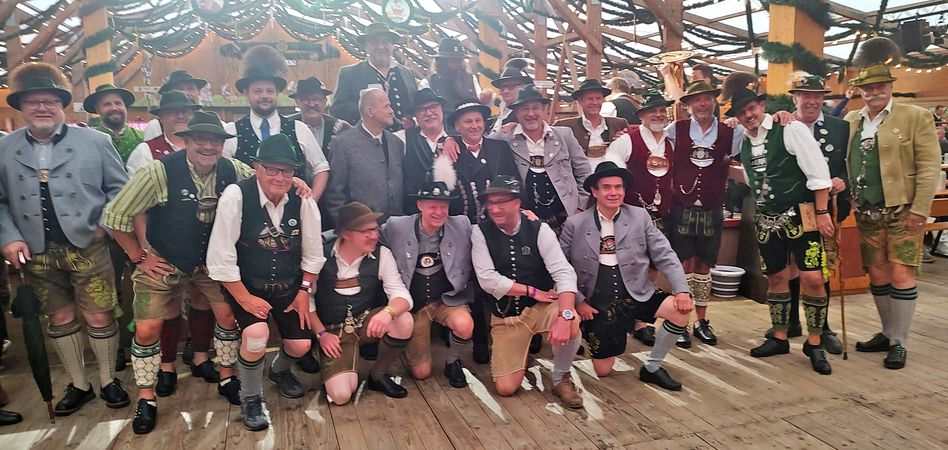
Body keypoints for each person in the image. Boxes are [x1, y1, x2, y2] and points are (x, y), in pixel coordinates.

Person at [103, 111, 253, 433]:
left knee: (228, 317)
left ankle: (227, 377)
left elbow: (262, 183)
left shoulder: (234, 170)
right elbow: (114, 216)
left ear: (222, 144)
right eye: (200, 139)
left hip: (209, 262)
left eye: (215, 140)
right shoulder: (158, 171)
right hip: (163, 258)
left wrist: (296, 183)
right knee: (146, 329)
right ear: (186, 141)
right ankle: (146, 397)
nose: (208, 146)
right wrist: (139, 257)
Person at [0, 62, 130, 416]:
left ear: (62, 105)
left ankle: (108, 380)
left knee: (100, 315)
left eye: (50, 101)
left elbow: (120, 190)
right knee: (59, 318)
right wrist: (9, 238)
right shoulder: (5, 148)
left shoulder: (96, 141)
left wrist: (103, 226)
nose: (42, 107)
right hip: (35, 251)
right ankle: (79, 384)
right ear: (21, 105)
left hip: (89, 245)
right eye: (33, 101)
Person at [207, 134, 324, 431]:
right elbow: (220, 257)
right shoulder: (236, 195)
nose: (280, 177)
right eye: (272, 169)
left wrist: (303, 292)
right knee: (257, 335)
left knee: (301, 345)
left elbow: (313, 255)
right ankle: (251, 397)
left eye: (287, 170)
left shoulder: (303, 200)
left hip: (289, 284)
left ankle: (279, 371)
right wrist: (244, 298)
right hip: (247, 284)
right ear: (256, 167)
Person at [723, 72, 836, 375]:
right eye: (742, 112)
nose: (748, 115)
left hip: (802, 214)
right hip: (766, 219)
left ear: (762, 106)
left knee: (812, 277)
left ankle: (815, 342)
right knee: (775, 277)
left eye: (751, 108)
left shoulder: (790, 128)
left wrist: (822, 212)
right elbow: (753, 179)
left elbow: (818, 173)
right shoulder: (746, 142)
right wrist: (722, 169)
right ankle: (780, 336)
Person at [845, 37, 941, 369]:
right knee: (877, 273)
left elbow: (929, 165)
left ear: (890, 86)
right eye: (868, 88)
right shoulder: (852, 121)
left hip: (903, 209)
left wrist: (921, 209)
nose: (874, 92)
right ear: (860, 91)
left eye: (880, 86)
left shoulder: (915, 116)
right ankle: (887, 332)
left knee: (901, 272)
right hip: (867, 210)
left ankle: (900, 341)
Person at [561, 162, 693, 389]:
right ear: (594, 191)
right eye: (606, 187)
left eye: (618, 187)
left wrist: (682, 290)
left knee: (681, 311)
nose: (614, 192)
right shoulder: (575, 223)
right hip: (598, 301)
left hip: (637, 291)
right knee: (603, 370)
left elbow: (665, 254)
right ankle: (593, 331)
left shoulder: (640, 216)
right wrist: (579, 302)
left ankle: (652, 367)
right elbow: (562, 267)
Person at [471, 176, 584, 408]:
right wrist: (531, 291)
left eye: (501, 202)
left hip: (541, 308)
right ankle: (520, 355)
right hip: (507, 317)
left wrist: (565, 316)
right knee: (505, 388)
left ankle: (560, 378)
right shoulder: (480, 232)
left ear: (517, 203)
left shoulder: (540, 230)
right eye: (491, 203)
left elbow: (564, 272)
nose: (494, 208)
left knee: (572, 321)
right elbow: (487, 279)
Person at [762, 73, 851, 354]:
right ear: (795, 98)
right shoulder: (782, 123)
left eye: (817, 96)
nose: (811, 101)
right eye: (805, 95)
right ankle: (790, 322)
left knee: (818, 268)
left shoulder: (840, 127)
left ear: (823, 98)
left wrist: (842, 180)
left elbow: (847, 164)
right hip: (790, 209)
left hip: (825, 207)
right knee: (788, 265)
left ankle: (823, 329)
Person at [663, 81, 743, 347]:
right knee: (683, 265)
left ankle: (701, 321)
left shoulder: (732, 131)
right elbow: (653, 144)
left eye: (707, 98)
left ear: (714, 101)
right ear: (688, 105)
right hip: (681, 206)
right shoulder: (675, 129)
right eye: (696, 100)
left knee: (704, 265)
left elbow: (757, 139)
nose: (702, 104)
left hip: (712, 206)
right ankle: (681, 321)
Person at [311, 202, 414, 405]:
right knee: (341, 396)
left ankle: (378, 375)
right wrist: (321, 334)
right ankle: (338, 368)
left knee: (404, 320)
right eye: (366, 231)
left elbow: (402, 295)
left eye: (375, 229)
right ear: (346, 233)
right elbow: (307, 300)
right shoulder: (320, 256)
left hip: (365, 323)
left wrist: (387, 312)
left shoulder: (382, 254)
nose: (374, 236)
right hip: (333, 333)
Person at [380, 182, 474, 387]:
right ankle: (408, 348)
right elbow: (369, 235)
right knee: (421, 373)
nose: (439, 212)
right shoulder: (397, 226)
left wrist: (523, 217)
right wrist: (332, 236)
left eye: (444, 206)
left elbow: (487, 232)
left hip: (446, 301)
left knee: (465, 325)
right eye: (433, 206)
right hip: (415, 305)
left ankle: (453, 361)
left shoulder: (461, 225)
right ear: (420, 205)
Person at [223, 46, 329, 196]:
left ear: (277, 92)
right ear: (246, 93)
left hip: (293, 209)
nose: (264, 96)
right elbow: (222, 173)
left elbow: (321, 168)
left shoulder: (299, 129)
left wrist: (311, 201)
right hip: (246, 209)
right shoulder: (231, 132)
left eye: (270, 91)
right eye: (258, 91)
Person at [489, 85, 591, 235]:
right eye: (524, 109)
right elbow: (478, 141)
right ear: (516, 112)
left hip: (566, 219)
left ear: (544, 109)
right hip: (526, 223)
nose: (531, 113)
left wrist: (580, 207)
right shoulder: (504, 139)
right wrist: (453, 140)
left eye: (535, 108)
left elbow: (584, 172)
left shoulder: (565, 135)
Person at [324, 88, 406, 223]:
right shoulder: (343, 144)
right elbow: (335, 195)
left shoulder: (396, 143)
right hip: (359, 229)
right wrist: (348, 227)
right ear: (370, 111)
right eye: (386, 106)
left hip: (395, 228)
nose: (391, 111)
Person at [604, 89, 676, 233]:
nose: (658, 114)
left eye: (662, 110)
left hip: (664, 216)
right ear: (641, 115)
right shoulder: (625, 141)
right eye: (652, 111)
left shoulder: (671, 144)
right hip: (631, 217)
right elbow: (611, 178)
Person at [331, 23, 418, 132]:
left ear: (392, 45)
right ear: (366, 46)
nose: (380, 47)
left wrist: (412, 120)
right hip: (368, 139)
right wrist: (370, 112)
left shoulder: (407, 73)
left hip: (406, 138)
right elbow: (337, 109)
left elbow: (417, 106)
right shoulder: (349, 73)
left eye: (385, 42)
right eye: (374, 42)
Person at [554, 79, 629, 168]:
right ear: (580, 101)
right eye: (590, 99)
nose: (595, 102)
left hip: (612, 174)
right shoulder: (564, 126)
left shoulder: (619, 124)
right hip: (580, 175)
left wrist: (624, 140)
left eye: (598, 98)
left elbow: (631, 150)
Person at [125, 90, 201, 174]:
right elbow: (136, 182)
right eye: (173, 112)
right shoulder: (145, 151)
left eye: (186, 112)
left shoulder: (203, 145)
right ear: (161, 118)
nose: (181, 116)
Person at [398, 88, 449, 213]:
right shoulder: (402, 139)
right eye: (421, 109)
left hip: (450, 211)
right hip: (414, 212)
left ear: (441, 108)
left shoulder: (457, 137)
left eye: (433, 106)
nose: (428, 113)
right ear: (415, 115)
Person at [424, 37, 491, 121]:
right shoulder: (428, 83)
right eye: (454, 61)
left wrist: (486, 99)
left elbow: (481, 104)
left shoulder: (471, 78)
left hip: (471, 127)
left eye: (460, 60)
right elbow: (423, 113)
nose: (459, 64)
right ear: (442, 62)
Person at [287, 77, 353, 155]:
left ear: (325, 101)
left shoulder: (339, 127)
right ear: (297, 102)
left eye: (316, 99)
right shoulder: (287, 126)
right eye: (306, 99)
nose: (311, 104)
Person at [84, 83, 144, 164]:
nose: (114, 108)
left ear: (125, 106)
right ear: (97, 109)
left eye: (118, 103)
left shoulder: (143, 138)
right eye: (107, 104)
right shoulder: (90, 142)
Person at [142, 70, 208, 140]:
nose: (186, 93)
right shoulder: (156, 126)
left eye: (190, 88)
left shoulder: (210, 122)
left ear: (199, 93)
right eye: (179, 89)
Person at [487, 58, 532, 133]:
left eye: (511, 86)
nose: (505, 91)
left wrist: (519, 127)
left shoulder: (527, 112)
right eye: (502, 87)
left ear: (523, 87)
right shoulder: (504, 110)